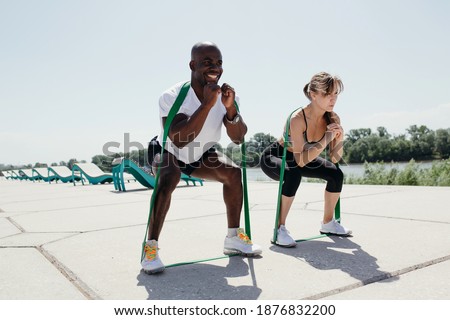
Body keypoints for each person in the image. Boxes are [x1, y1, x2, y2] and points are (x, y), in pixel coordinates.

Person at [142, 41, 262, 274]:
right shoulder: (173, 95)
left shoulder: (227, 97)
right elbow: (178, 139)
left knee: (233, 173)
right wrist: (207, 105)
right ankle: (151, 249)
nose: (214, 67)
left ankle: (233, 237)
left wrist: (230, 110)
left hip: (200, 152)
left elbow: (238, 138)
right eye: (207, 62)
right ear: (192, 64)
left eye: (218, 63)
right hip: (167, 150)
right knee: (169, 176)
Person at [260, 72, 351, 248]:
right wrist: (326, 138)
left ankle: (328, 223)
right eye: (327, 94)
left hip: (302, 156)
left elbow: (335, 157)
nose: (332, 99)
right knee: (293, 174)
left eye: (335, 94)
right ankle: (279, 230)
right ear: (313, 94)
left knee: (335, 174)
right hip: (277, 156)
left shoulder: (332, 118)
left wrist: (339, 137)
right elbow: (300, 161)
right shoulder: (297, 119)